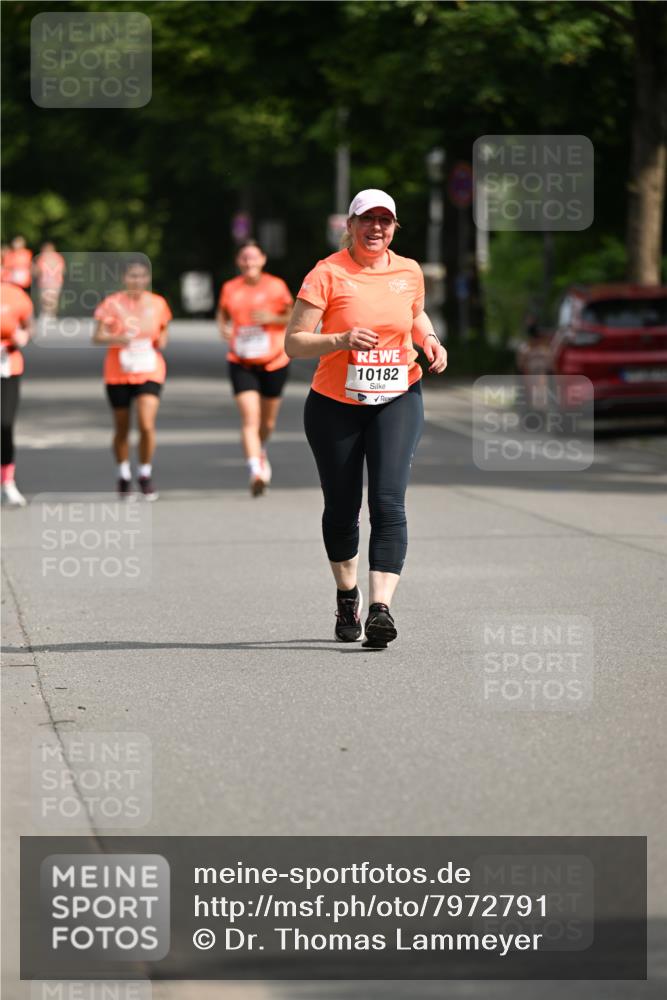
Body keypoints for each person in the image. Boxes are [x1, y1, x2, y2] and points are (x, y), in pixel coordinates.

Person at [285, 189, 447, 648]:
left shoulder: (408, 270)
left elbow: (415, 315)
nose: (376, 228)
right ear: (350, 226)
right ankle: (346, 595)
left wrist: (431, 338)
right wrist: (339, 340)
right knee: (342, 509)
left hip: (398, 394)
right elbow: (294, 342)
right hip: (335, 404)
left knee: (388, 502)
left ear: (394, 227)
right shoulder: (327, 273)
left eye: (385, 221)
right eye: (367, 220)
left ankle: (380, 610)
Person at [217, 241, 293, 496]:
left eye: (253, 258)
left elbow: (292, 315)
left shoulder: (276, 286)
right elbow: (223, 313)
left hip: (274, 360)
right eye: (244, 258)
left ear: (263, 259)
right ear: (239, 262)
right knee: (250, 418)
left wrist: (273, 319)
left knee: (267, 423)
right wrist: (224, 328)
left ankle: (260, 450)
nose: (249, 262)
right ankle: (255, 471)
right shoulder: (230, 288)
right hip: (241, 361)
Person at [92, 259, 172, 500]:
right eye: (131, 276)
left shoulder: (157, 303)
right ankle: (123, 473)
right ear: (124, 279)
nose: (136, 281)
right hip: (118, 372)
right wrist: (118, 339)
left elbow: (163, 334)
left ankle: (145, 473)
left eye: (140, 277)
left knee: (147, 424)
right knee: (122, 427)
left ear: (147, 279)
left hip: (149, 369)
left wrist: (156, 341)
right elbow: (97, 336)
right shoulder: (112, 303)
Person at [1, 281, 34, 506]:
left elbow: (29, 326)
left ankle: (7, 482)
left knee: (4, 423)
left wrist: (23, 335)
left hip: (7, 365)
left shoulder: (15, 295)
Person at [33, 241, 66, 316]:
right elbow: (63, 270)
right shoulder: (58, 257)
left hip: (47, 282)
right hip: (54, 282)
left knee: (46, 299)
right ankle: (51, 315)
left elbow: (38, 270)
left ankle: (48, 315)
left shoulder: (42, 257)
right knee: (52, 299)